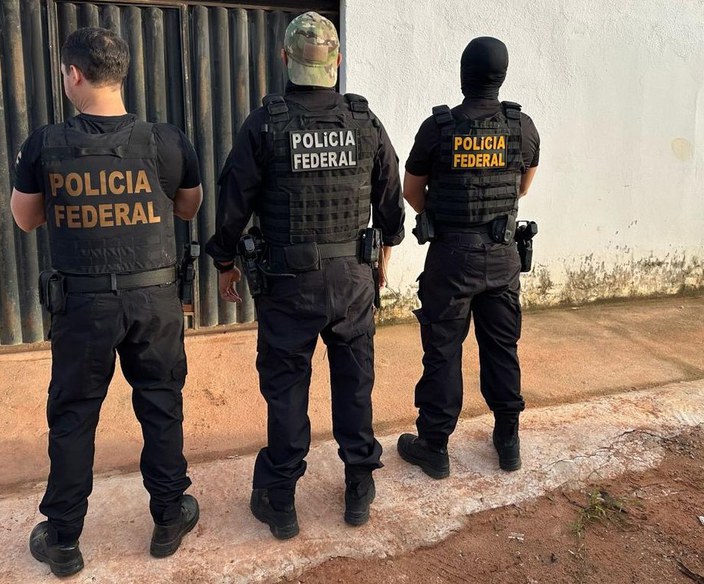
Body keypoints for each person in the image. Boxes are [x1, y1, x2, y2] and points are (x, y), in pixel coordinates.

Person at [10, 27, 203, 577]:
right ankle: (169, 518)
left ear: (74, 75)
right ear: (121, 74)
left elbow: (25, 218)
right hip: (154, 303)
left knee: (74, 417)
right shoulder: (167, 140)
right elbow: (188, 207)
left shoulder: (44, 143)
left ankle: (63, 539)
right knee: (160, 405)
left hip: (82, 306)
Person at [206, 11, 404, 539]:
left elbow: (233, 203)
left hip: (288, 285)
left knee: (287, 390)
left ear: (285, 59)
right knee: (355, 383)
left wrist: (224, 262)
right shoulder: (363, 121)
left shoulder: (264, 123)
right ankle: (359, 484)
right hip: (352, 281)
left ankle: (282, 501)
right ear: (335, 62)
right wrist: (384, 251)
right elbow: (390, 197)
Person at [397, 36, 540, 479]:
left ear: (463, 75)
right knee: (502, 347)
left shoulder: (438, 127)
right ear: (502, 77)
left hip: (451, 258)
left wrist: (445, 215)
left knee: (443, 351)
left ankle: (435, 447)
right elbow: (523, 187)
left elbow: (411, 191)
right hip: (502, 255)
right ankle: (508, 440)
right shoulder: (521, 127)